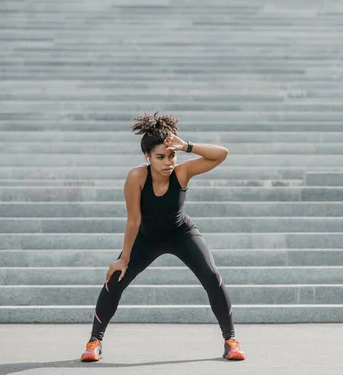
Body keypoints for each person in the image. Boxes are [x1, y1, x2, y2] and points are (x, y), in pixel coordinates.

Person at [80, 111, 245, 362]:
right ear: (147, 157)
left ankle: (230, 340)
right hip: (146, 238)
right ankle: (94, 342)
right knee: (116, 278)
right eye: (160, 157)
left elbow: (222, 154)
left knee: (212, 277)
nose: (168, 162)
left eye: (171, 155)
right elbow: (134, 219)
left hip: (181, 233)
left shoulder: (182, 173)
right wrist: (124, 258)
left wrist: (187, 146)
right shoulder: (137, 176)